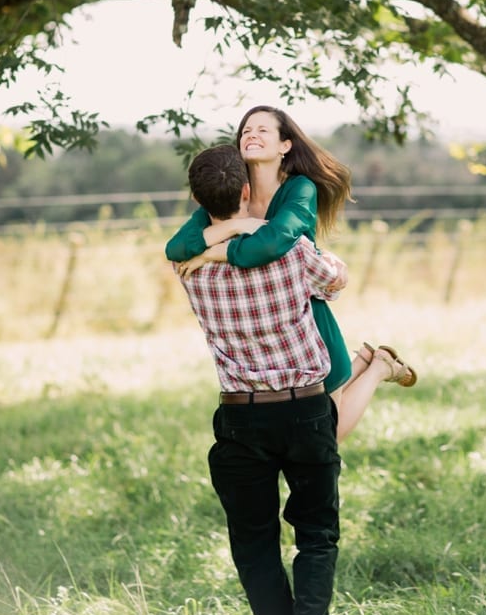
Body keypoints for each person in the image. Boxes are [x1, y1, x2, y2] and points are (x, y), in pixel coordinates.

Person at [174, 144, 356, 615]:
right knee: (316, 534)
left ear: (198, 203)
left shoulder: (190, 271)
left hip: (240, 418)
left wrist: (221, 240)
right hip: (303, 408)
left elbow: (191, 244)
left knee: (254, 548)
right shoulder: (291, 251)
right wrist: (271, 226)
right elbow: (336, 279)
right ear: (249, 192)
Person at [167, 105, 416, 442]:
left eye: (262, 130)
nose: (251, 135)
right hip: (258, 324)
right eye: (246, 131)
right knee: (315, 422)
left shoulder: (299, 189)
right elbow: (177, 248)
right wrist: (240, 223)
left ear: (285, 145)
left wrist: (214, 250)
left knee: (328, 432)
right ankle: (365, 361)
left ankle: (378, 368)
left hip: (305, 319)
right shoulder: (231, 191)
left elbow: (272, 243)